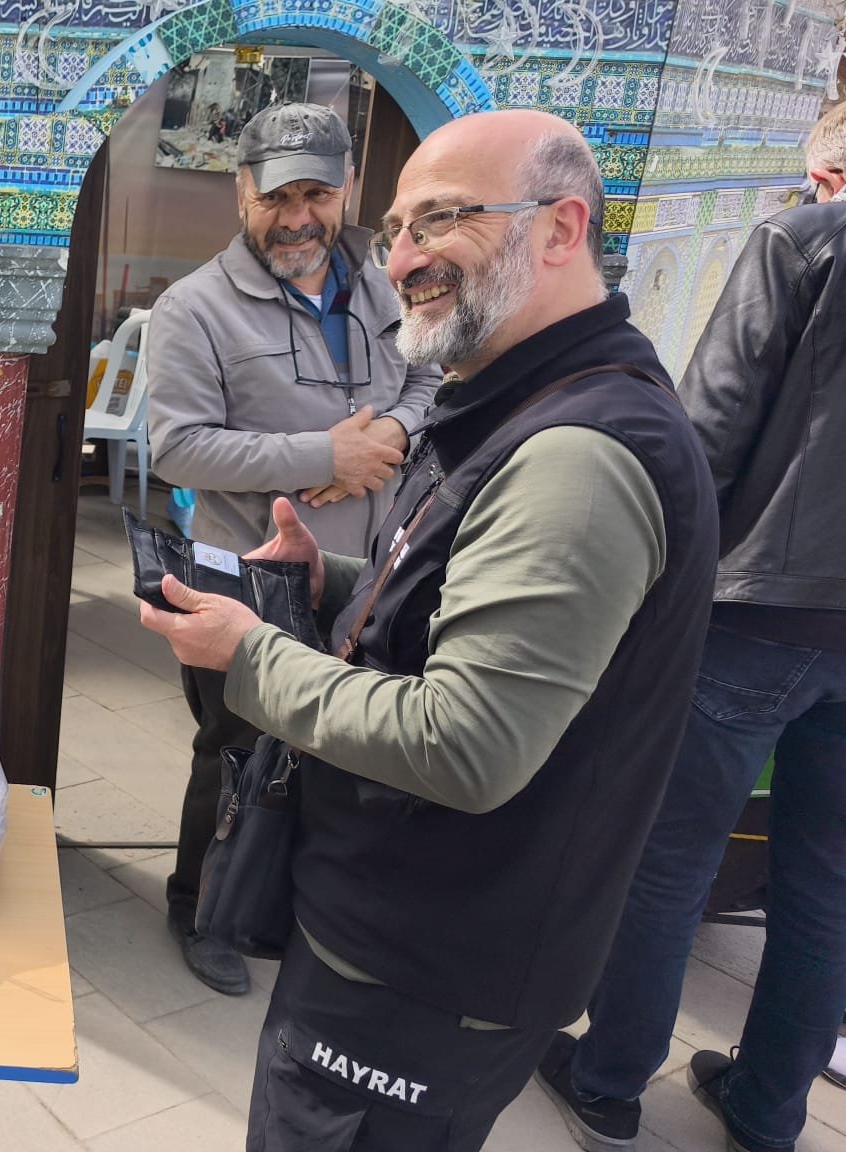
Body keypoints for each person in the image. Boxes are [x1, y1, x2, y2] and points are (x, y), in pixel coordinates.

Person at [138, 109, 717, 1150]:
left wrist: (251, 653)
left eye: (442, 219)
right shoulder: (527, 396)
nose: (402, 255)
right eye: (399, 226)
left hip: (434, 956)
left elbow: (463, 742)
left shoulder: (576, 453)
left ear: (559, 228)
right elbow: (462, 595)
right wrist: (334, 581)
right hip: (399, 926)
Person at [539, 100, 846, 1152]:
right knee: (824, 885)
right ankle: (766, 1111)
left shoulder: (798, 243)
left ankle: (609, 1081)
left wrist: (646, 587)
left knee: (668, 858)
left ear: (823, 173)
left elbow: (705, 431)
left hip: (762, 610)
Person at [145, 101, 439, 997]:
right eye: (278, 196)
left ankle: (307, 911)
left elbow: (432, 372)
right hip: (246, 577)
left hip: (370, 570)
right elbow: (177, 446)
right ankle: (203, 909)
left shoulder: (389, 285)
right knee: (235, 751)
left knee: (346, 751)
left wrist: (390, 429)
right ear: (243, 192)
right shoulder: (194, 308)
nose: (298, 216)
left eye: (316, 192)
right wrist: (325, 456)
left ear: (347, 190)